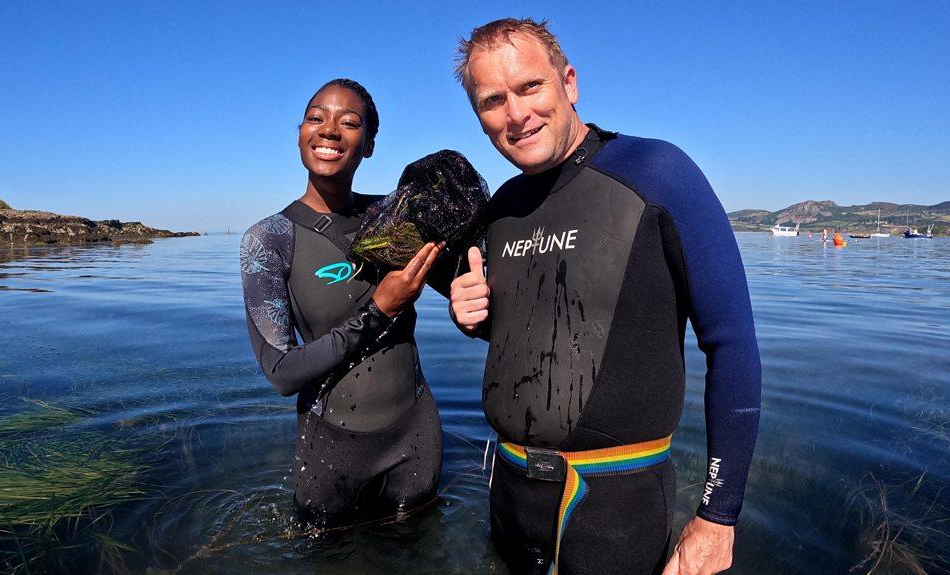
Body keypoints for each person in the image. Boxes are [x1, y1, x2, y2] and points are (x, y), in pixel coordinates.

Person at [449, 19, 762, 574]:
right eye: (492, 101)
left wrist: (718, 517)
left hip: (616, 508)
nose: (516, 115)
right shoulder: (500, 210)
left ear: (568, 82)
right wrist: (472, 315)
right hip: (510, 497)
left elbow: (732, 343)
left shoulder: (658, 174)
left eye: (529, 87)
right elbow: (539, 331)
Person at [241, 79, 445, 519]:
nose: (329, 130)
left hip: (415, 434)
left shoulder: (393, 220)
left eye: (348, 123)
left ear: (368, 144)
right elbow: (281, 372)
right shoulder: (270, 239)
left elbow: (467, 282)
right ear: (300, 133)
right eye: (316, 118)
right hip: (332, 443)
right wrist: (378, 313)